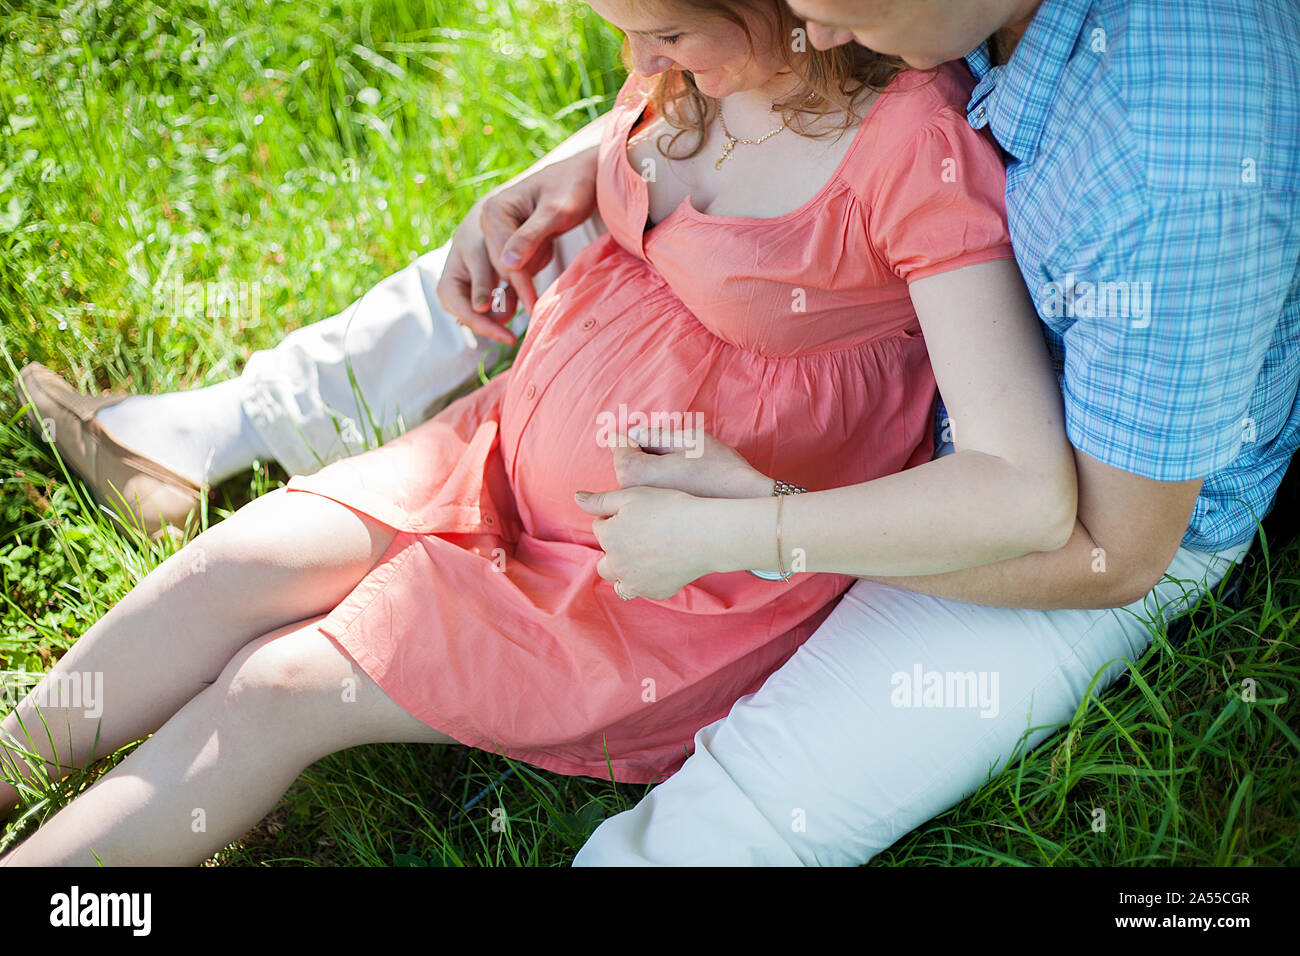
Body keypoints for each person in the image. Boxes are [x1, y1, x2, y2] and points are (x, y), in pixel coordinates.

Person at [0, 0, 1072, 865]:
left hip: (653, 584)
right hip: (491, 452)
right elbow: (643, 135)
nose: (637, 57)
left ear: (796, 14)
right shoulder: (692, 71)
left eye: (666, 32)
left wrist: (751, 527)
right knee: (235, 564)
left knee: (278, 688)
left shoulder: (912, 153)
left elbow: (1012, 474)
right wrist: (550, 181)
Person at [571, 0, 1299, 864]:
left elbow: (1114, 549)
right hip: (943, 370)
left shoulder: (1166, 180)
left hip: (1105, 502)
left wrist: (762, 525)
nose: (824, 37)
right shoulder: (925, 21)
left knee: (741, 813)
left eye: (843, 13)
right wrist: (587, 166)